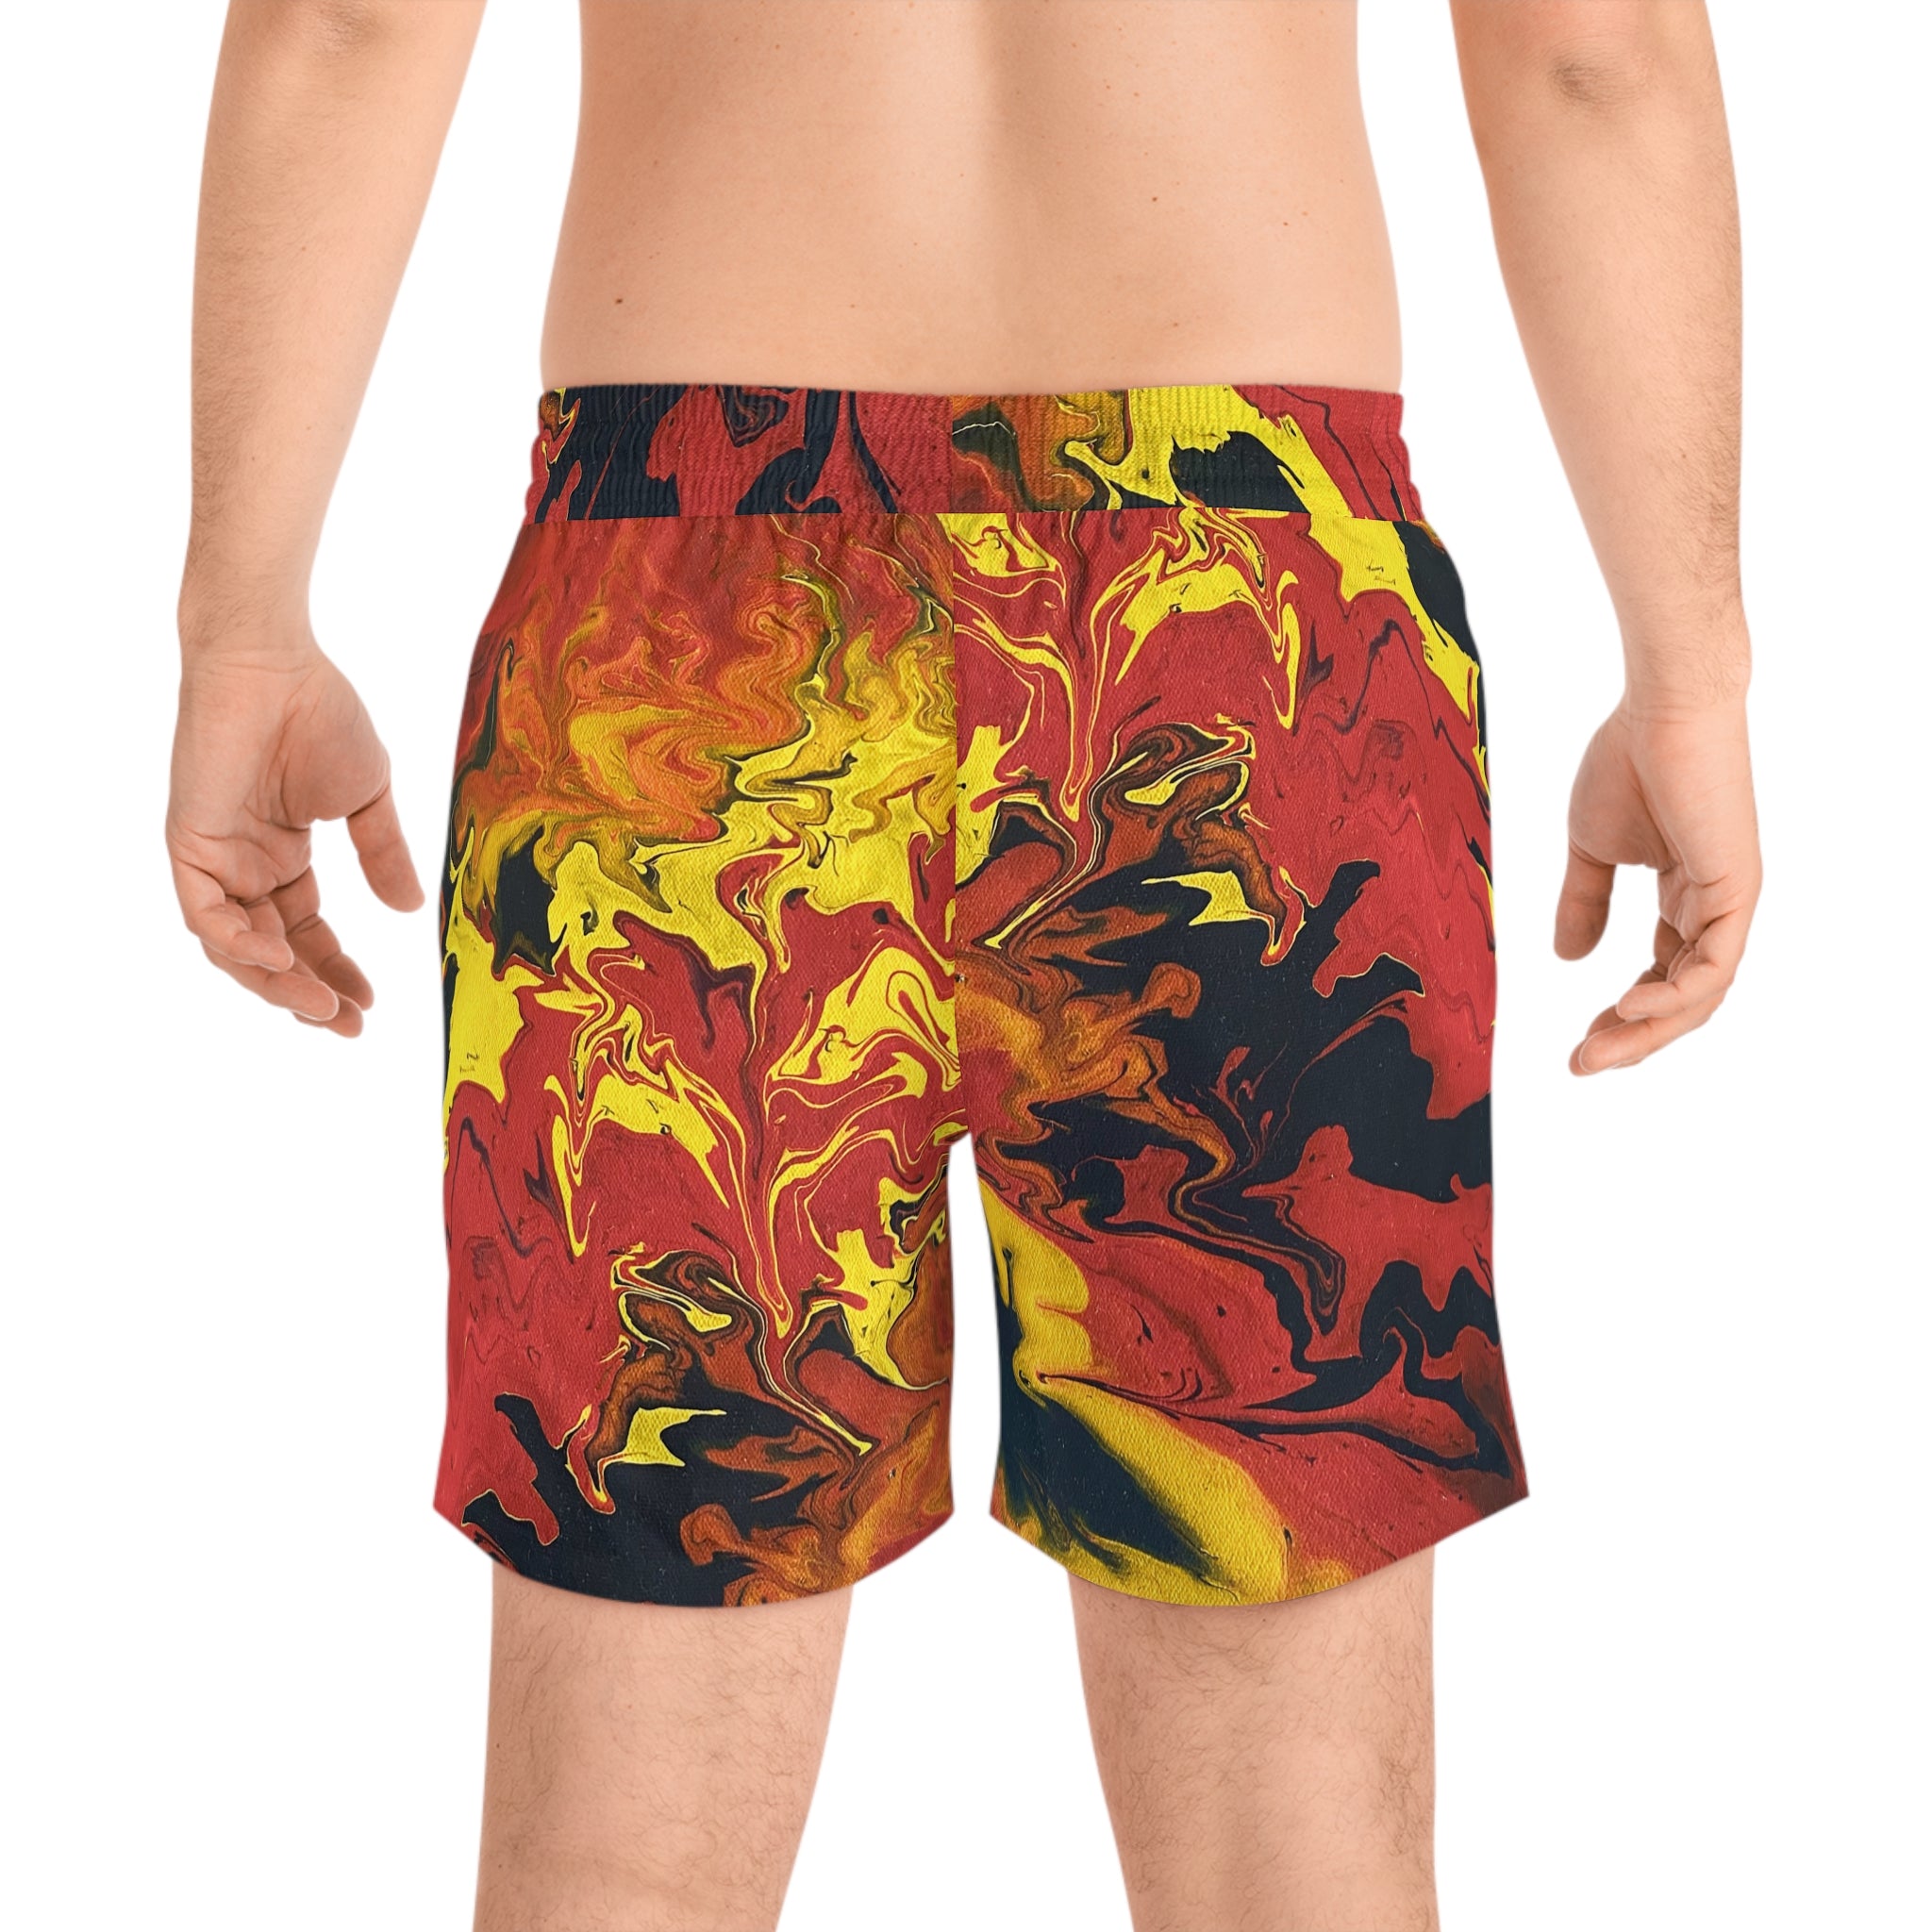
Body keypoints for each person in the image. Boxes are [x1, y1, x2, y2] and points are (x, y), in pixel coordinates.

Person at [167, 2, 1760, 1925]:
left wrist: (239, 630)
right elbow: (1593, 54)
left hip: (684, 644)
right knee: (1297, 1854)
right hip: (1251, 630)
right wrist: (1692, 672)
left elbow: (345, 23)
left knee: (619, 1853)